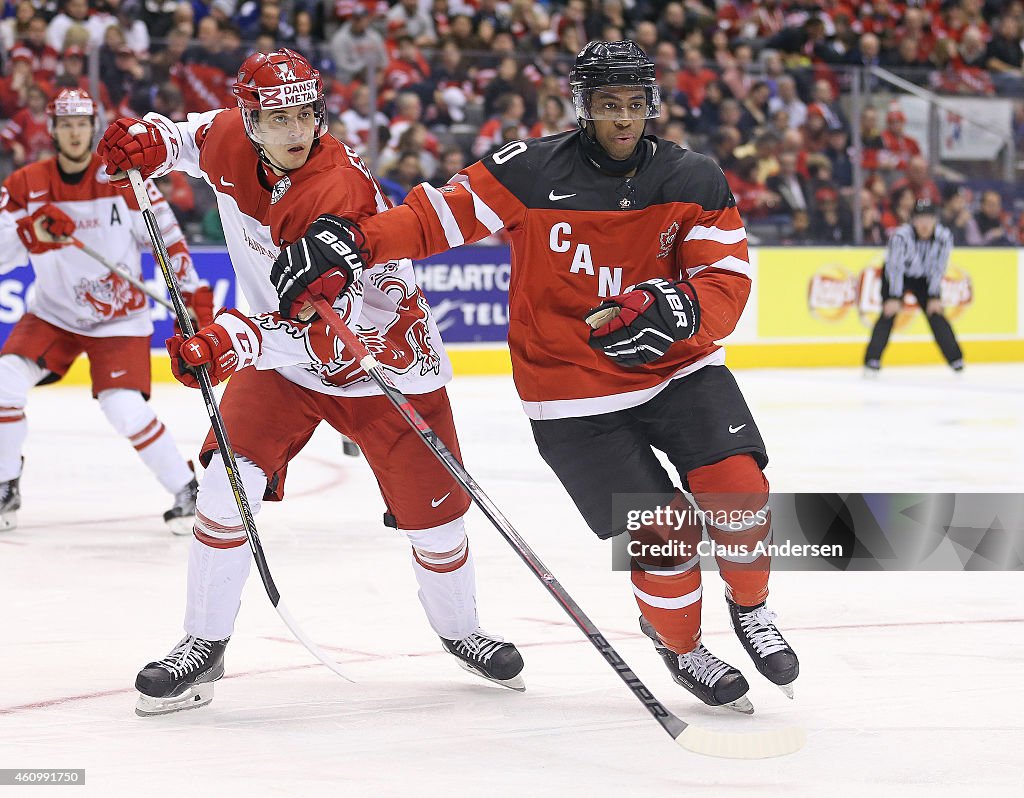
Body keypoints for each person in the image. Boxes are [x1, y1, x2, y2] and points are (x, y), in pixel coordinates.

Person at [271, 41, 800, 713]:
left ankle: (751, 608)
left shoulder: (691, 177)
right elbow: (435, 218)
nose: (624, 120)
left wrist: (684, 308)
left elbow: (724, 278)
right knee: (664, 534)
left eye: (636, 105)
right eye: (609, 105)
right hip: (571, 395)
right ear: (582, 106)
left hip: (676, 369)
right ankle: (683, 646)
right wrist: (355, 242)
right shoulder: (528, 170)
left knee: (741, 492)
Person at [96, 49, 524, 716]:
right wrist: (150, 140)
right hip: (284, 364)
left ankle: (460, 630)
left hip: (380, 363)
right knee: (222, 485)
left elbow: (328, 337)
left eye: (306, 114)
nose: (296, 130)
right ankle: (203, 643)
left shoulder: (338, 194)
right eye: (278, 116)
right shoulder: (231, 137)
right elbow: (185, 138)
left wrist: (234, 340)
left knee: (436, 526)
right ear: (249, 117)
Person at [0, 88, 205, 534]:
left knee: (124, 408)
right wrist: (30, 232)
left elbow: (167, 238)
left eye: (81, 123)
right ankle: (4, 484)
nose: (74, 132)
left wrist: (190, 296)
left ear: (93, 128)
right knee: (5, 382)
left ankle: (187, 487)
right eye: (65, 124)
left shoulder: (125, 179)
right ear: (52, 130)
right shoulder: (25, 185)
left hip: (119, 318)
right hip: (53, 314)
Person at [865, 199, 963, 374]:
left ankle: (956, 359)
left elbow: (939, 267)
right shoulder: (900, 237)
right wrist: (894, 297)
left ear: (935, 220)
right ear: (913, 221)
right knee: (889, 312)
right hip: (899, 276)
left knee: (936, 312)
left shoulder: (944, 237)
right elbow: (895, 268)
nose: (924, 224)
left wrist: (933, 296)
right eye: (920, 219)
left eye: (928, 218)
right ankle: (872, 359)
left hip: (925, 277)